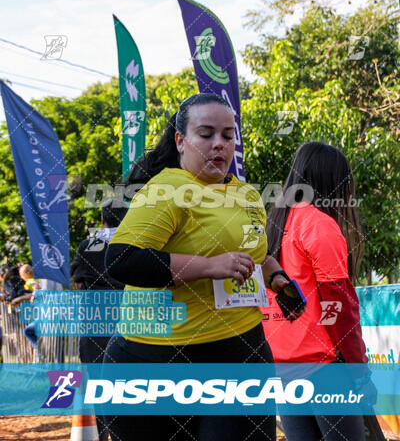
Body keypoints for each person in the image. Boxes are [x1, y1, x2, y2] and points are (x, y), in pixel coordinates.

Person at [104, 93, 304, 441]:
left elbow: (256, 254)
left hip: (241, 354)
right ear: (181, 141)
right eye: (206, 134)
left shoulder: (247, 195)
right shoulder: (168, 189)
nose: (219, 145)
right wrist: (208, 266)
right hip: (156, 364)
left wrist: (275, 277)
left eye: (228, 136)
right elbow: (122, 260)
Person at [262, 141, 376, 441]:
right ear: (332, 181)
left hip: (284, 369)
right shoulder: (318, 225)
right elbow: (339, 307)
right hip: (325, 368)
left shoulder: (273, 222)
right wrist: (360, 373)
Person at [71, 199, 128, 441]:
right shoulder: (134, 244)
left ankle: (105, 434)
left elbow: (76, 279)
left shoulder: (88, 245)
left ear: (103, 219)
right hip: (129, 323)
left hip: (95, 327)